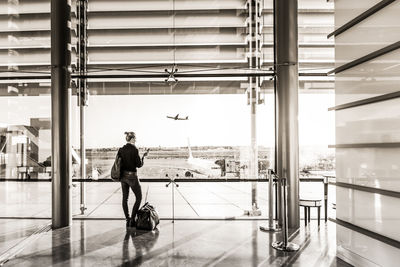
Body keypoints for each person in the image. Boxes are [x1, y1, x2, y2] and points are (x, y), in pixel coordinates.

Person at [118, 132, 148, 227]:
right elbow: (138, 165)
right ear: (131, 139)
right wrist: (143, 157)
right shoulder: (134, 149)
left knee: (125, 199)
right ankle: (133, 219)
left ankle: (127, 219)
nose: (136, 140)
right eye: (135, 138)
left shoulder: (121, 149)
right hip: (132, 177)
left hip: (123, 177)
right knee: (139, 197)